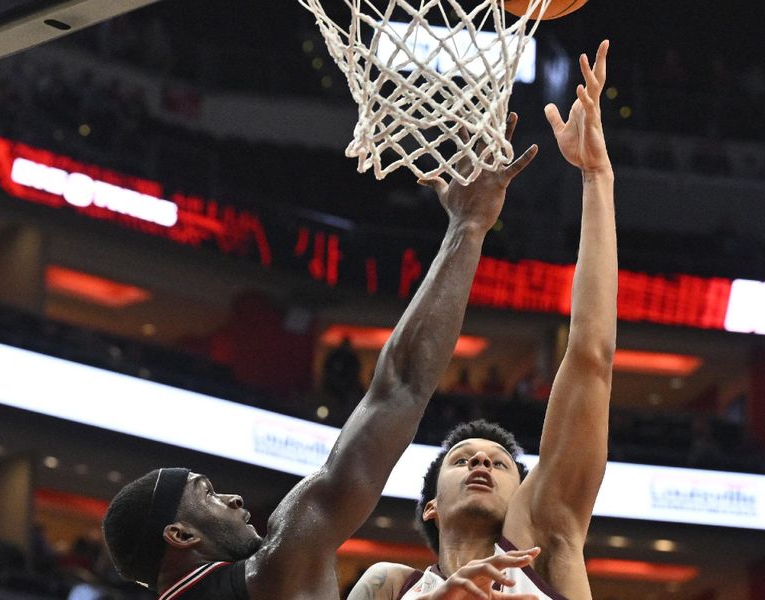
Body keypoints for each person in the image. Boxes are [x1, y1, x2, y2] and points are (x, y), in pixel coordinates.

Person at [102, 114, 540, 600]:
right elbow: (401, 386)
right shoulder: (273, 570)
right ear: (182, 536)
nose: (233, 498)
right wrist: (468, 227)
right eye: (207, 495)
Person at [348, 40, 617, 600]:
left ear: (523, 493)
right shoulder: (391, 587)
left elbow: (591, 355)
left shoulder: (545, 543)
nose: (481, 464)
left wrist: (596, 177)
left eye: (499, 463)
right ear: (430, 507)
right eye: (464, 460)